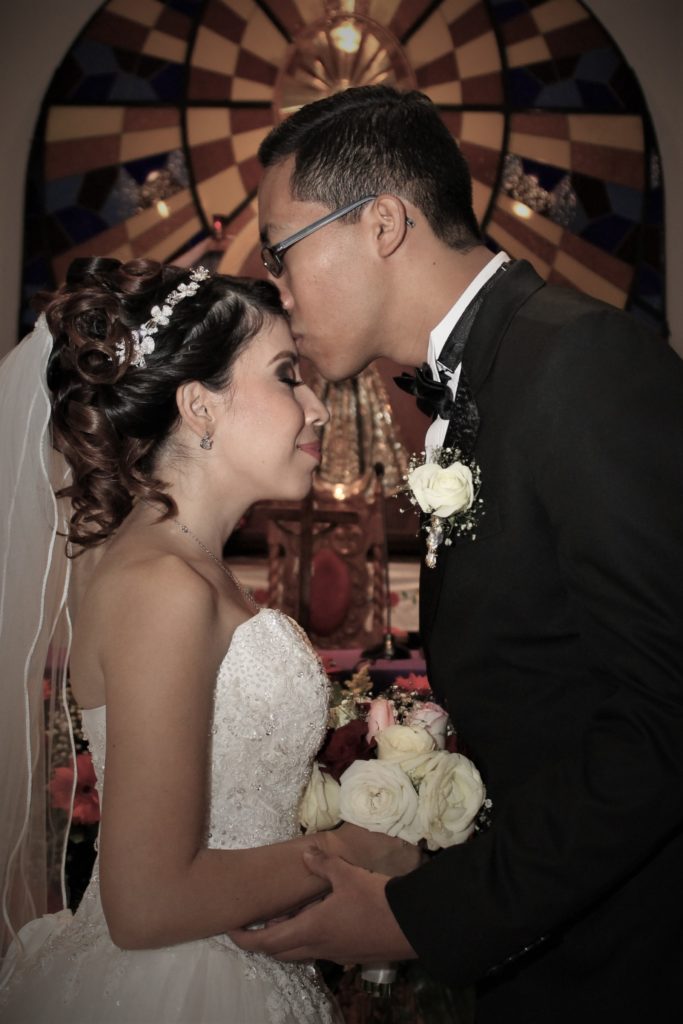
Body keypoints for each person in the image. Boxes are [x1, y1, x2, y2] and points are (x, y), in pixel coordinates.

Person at [232, 84, 683, 1023]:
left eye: (281, 249)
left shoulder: (582, 362)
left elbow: (665, 719)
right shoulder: (488, 377)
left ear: (383, 223)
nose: (274, 283)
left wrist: (420, 918)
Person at [0, 257, 418, 1023]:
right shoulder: (163, 585)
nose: (316, 408)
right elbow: (148, 903)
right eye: (286, 375)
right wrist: (355, 851)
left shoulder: (189, 571)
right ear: (199, 406)